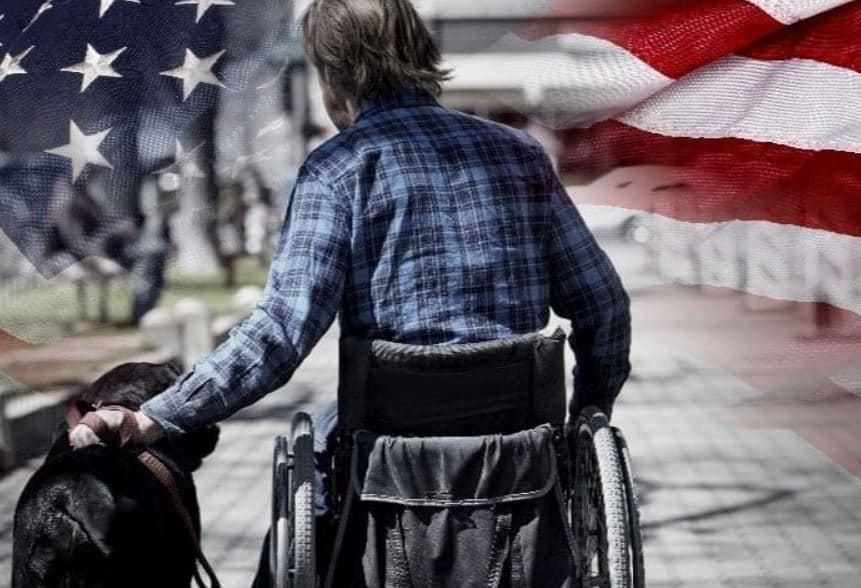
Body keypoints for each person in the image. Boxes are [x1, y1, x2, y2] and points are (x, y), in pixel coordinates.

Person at [70, 0, 632, 577]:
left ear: (334, 72)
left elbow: (281, 335)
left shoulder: (338, 169)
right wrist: (587, 416)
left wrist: (160, 416)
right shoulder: (520, 157)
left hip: (388, 450)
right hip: (523, 450)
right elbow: (603, 305)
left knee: (312, 464)